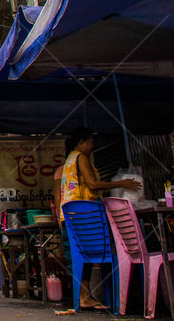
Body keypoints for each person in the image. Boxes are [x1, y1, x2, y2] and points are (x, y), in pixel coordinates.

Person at [59, 127, 142, 310]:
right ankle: (84, 296)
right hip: (83, 214)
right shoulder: (80, 158)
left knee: (80, 256)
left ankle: (84, 296)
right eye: (90, 142)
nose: (92, 147)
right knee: (87, 254)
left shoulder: (69, 160)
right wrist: (122, 183)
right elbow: (93, 184)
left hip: (71, 214)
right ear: (81, 143)